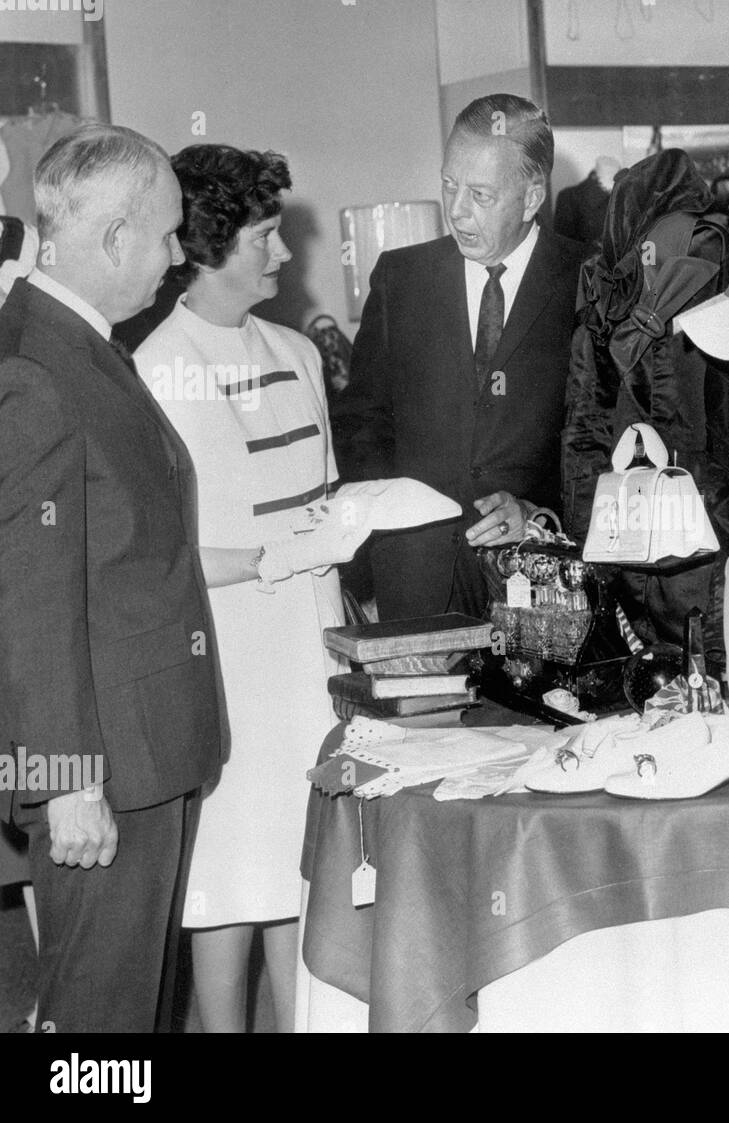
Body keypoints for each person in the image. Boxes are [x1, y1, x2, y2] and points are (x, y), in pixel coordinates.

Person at [0, 123, 223, 1032]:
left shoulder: (72, 341)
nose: (177, 260)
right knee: (96, 1026)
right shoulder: (34, 368)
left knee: (127, 1018)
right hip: (104, 776)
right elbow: (26, 595)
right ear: (115, 238)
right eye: (169, 236)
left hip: (138, 753)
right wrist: (64, 781)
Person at [133, 145, 355, 1032]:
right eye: (265, 235)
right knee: (225, 879)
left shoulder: (298, 352)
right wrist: (272, 557)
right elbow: (159, 548)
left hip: (309, 650)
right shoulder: (152, 367)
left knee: (302, 869)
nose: (283, 254)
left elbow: (329, 496)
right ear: (212, 243)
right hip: (223, 652)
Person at [334, 93, 588, 620]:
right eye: (449, 185)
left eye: (480, 194)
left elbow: (601, 439)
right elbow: (362, 422)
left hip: (541, 587)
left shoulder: (588, 281)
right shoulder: (401, 279)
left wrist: (539, 516)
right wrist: (385, 528)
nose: (456, 210)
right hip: (414, 583)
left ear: (532, 196)